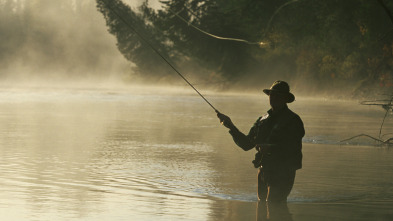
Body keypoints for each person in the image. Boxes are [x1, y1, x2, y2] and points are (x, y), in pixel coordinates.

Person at [217, 80, 304, 202]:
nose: (273, 98)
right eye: (271, 95)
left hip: (283, 171)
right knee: (262, 206)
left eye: (278, 95)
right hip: (264, 169)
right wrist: (231, 126)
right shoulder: (262, 120)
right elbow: (247, 144)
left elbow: (293, 147)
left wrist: (270, 147)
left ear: (285, 99)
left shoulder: (293, 120)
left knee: (274, 204)